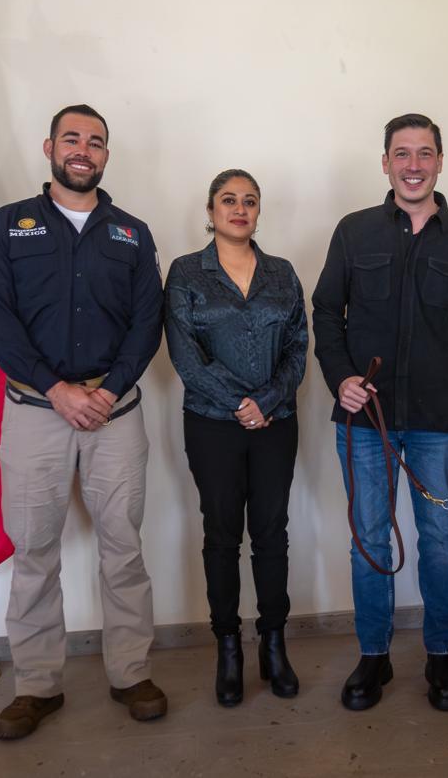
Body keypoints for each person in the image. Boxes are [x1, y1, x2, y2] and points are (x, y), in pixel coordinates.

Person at [0, 104, 167, 740]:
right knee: (32, 551)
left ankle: (130, 672)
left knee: (123, 546)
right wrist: (57, 390)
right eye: (73, 139)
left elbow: (147, 322)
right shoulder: (6, 227)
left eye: (96, 141)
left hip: (116, 413)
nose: (84, 150)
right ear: (50, 146)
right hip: (35, 411)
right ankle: (37, 686)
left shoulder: (132, 233)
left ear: (106, 156)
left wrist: (107, 391)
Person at [312, 113, 448, 713]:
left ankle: (439, 658)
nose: (414, 164)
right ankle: (373, 658)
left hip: (437, 424)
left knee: (440, 541)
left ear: (440, 162)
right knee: (369, 541)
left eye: (425, 153)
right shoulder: (354, 232)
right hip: (366, 423)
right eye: (402, 153)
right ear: (386, 164)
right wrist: (340, 378)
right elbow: (325, 314)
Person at [164, 169, 308, 707]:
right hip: (212, 426)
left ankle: (275, 643)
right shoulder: (185, 274)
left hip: (276, 425)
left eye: (249, 201)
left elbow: (299, 345)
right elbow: (185, 354)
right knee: (222, 535)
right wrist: (238, 403)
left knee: (272, 533)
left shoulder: (282, 273)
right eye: (229, 200)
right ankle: (228, 648)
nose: (239, 209)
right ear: (210, 210)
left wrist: (265, 402)